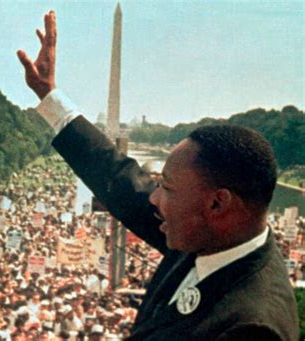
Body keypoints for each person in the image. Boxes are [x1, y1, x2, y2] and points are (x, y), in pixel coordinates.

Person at [17, 10, 299, 340]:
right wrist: (50, 96)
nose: (153, 197)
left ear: (217, 204)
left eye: (166, 187)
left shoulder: (253, 328)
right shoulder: (211, 236)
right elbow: (120, 180)